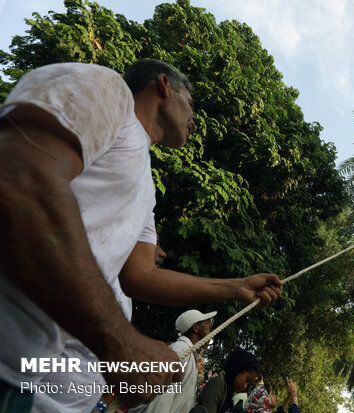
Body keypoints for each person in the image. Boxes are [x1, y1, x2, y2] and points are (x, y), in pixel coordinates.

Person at [0, 59, 283, 412]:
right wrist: (123, 343)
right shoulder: (107, 90)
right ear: (164, 85)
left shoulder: (146, 188)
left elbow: (141, 276)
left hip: (19, 375)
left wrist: (234, 287)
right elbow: (20, 179)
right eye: (191, 105)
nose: (195, 121)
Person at [131, 310, 216, 413]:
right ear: (195, 327)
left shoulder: (189, 352)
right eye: (206, 321)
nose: (209, 325)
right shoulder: (181, 350)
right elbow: (162, 396)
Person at [196, 348, 260, 413]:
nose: (245, 386)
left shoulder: (227, 389)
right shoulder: (218, 384)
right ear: (238, 369)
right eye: (247, 380)